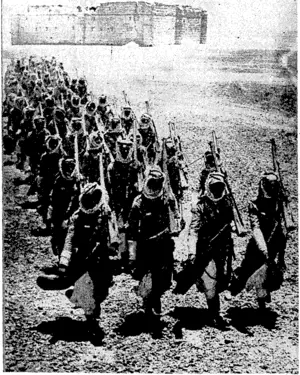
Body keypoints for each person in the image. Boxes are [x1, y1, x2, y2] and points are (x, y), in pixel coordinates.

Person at [37, 182, 116, 345]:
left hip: (101, 261)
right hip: (83, 261)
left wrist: (114, 246)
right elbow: (70, 239)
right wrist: (64, 260)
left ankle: (75, 296)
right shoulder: (77, 217)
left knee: (102, 293)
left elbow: (112, 231)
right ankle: (92, 322)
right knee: (88, 292)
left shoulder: (105, 213)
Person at [174, 171, 236, 327]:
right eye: (214, 187)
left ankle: (214, 310)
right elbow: (193, 231)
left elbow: (232, 223)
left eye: (220, 187)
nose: (217, 190)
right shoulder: (200, 206)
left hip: (223, 250)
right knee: (209, 282)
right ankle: (215, 313)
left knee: (221, 281)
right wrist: (192, 251)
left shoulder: (228, 203)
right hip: (206, 250)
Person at [126, 166, 177, 337]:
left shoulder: (166, 199)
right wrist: (132, 256)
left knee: (163, 281)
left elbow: (175, 219)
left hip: (163, 247)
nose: (155, 186)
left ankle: (154, 304)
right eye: (152, 182)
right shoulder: (138, 203)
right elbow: (132, 232)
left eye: (158, 183)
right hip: (145, 249)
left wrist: (176, 221)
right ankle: (150, 309)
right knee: (147, 281)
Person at [230, 172, 288, 309]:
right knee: (249, 270)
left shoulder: (280, 201)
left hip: (275, 242)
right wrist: (263, 249)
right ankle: (238, 287)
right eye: (270, 185)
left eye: (275, 185)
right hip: (259, 244)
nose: (272, 188)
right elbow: (256, 228)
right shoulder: (255, 204)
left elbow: (284, 222)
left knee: (270, 272)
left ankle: (263, 297)